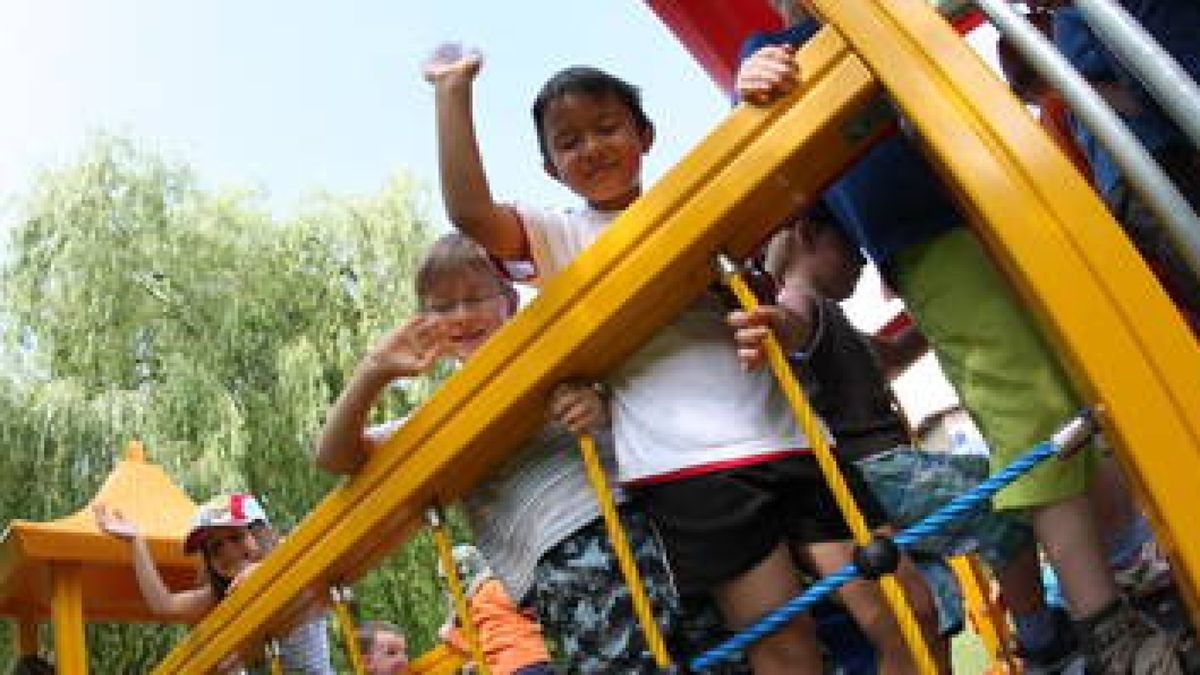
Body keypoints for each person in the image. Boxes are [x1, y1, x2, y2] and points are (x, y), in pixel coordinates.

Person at [424, 44, 942, 674]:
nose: (591, 147)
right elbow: (472, 214)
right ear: (552, 167)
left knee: (907, 609)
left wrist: (757, 83)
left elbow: (770, 151)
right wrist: (452, 93)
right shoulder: (562, 237)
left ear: (644, 134)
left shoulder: (700, 203)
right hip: (687, 472)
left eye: (607, 127)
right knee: (787, 647)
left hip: (792, 438)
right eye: (569, 141)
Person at [737, 2, 1190, 672]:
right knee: (1030, 414)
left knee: (1102, 373)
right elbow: (755, 102)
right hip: (929, 235)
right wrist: (754, 73)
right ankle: (1101, 623)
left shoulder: (897, 12)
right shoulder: (786, 42)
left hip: (1010, 197)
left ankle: (1138, 568)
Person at [315, 232, 737, 673]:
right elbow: (335, 456)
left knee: (713, 652)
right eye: (442, 307)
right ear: (424, 323)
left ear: (510, 301)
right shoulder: (442, 420)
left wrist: (602, 406)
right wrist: (375, 372)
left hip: (651, 520)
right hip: (566, 560)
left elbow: (647, 403)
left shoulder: (558, 355)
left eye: (476, 297)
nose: (461, 315)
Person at [734, 211, 1086, 673]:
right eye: (852, 250)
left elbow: (895, 353)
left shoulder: (833, 315)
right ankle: (1043, 641)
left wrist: (949, 308)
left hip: (882, 479)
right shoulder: (802, 300)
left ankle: (1019, 642)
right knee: (1003, 498)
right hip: (880, 469)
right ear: (808, 235)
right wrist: (778, 324)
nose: (862, 264)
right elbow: (793, 324)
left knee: (932, 606)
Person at [93, 493, 333, 674]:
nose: (228, 552)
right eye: (216, 547)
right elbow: (163, 604)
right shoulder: (224, 594)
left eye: (236, 537)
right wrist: (136, 542)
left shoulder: (292, 566)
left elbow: (321, 551)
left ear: (261, 533)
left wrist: (262, 573)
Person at [436, 544, 554, 675]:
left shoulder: (465, 612)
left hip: (503, 669)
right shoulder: (495, 587)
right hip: (528, 657)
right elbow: (527, 606)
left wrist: (449, 633)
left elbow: (472, 647)